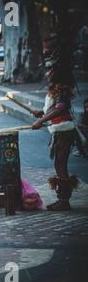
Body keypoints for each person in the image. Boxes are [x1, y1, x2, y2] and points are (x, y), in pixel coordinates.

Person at [31, 35, 86, 211]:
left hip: (64, 130)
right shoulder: (56, 88)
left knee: (60, 164)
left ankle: (64, 201)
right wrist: (41, 113)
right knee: (59, 164)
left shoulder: (62, 86)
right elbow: (54, 108)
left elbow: (61, 108)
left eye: (50, 70)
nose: (47, 74)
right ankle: (63, 199)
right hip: (59, 129)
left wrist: (42, 120)